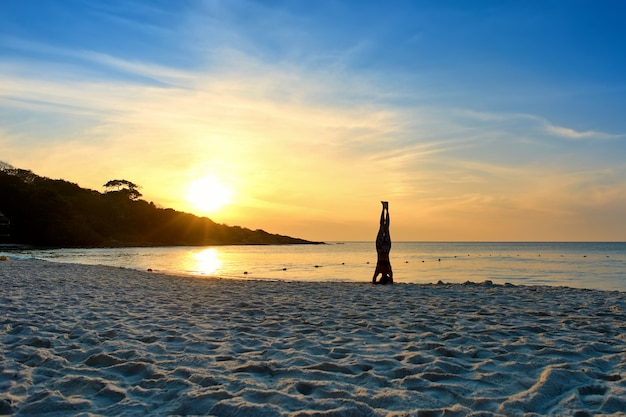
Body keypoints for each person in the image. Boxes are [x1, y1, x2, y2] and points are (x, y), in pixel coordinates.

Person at [372, 201, 393, 284]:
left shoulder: (381, 270)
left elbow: (374, 280)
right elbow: (391, 280)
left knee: (383, 226)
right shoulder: (387, 270)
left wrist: (377, 282)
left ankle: (384, 209)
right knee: (386, 227)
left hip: (381, 248)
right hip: (384, 248)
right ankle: (386, 209)